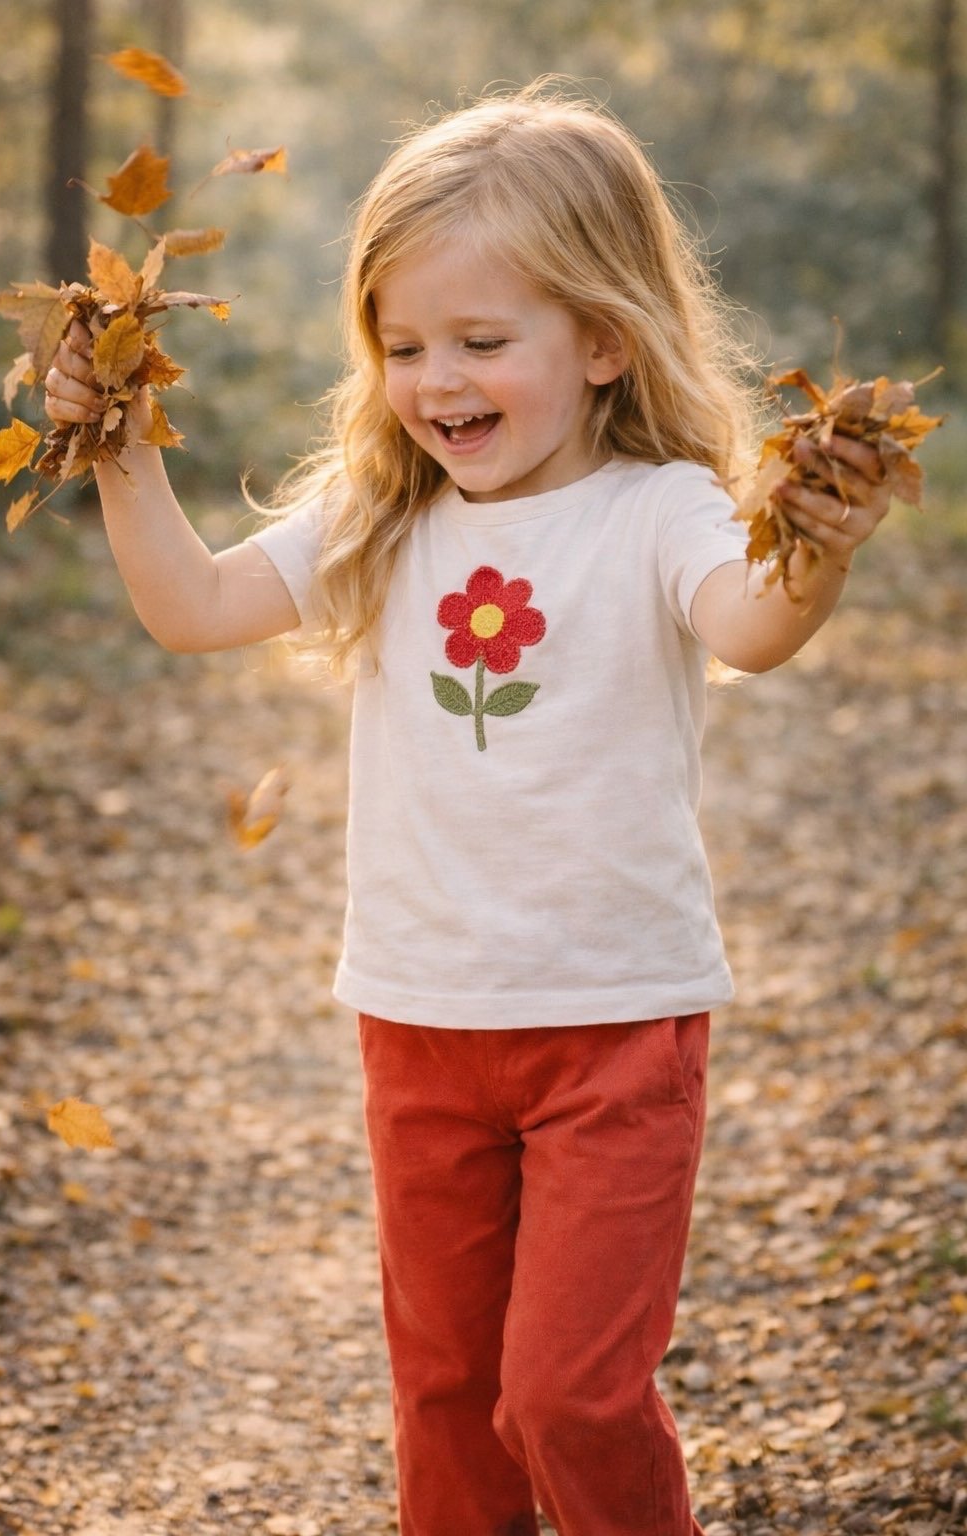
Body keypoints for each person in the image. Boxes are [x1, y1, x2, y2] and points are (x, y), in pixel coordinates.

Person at [45, 81, 893, 1536]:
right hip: (422, 1022)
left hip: (615, 1027)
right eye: (404, 345)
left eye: (484, 343)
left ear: (607, 338)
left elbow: (751, 627)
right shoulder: (381, 518)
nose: (438, 380)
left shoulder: (662, 507)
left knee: (566, 1394)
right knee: (447, 1394)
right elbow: (191, 607)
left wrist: (813, 545)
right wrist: (119, 440)